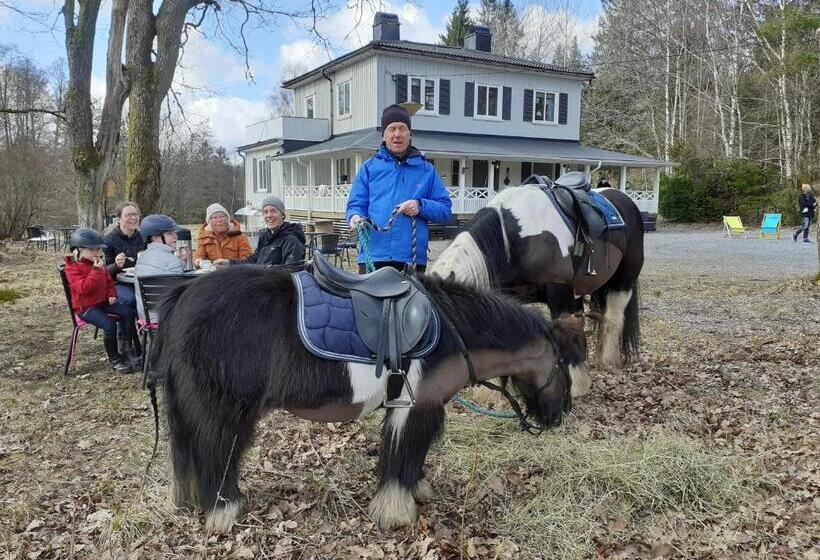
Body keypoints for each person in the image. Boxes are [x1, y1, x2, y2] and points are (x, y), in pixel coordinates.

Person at [346, 104, 452, 274]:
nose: (397, 134)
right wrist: (354, 217)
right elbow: (356, 205)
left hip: (411, 260)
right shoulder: (369, 168)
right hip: (372, 257)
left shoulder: (427, 170)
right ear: (384, 135)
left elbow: (445, 210)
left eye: (402, 128)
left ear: (410, 134)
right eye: (391, 129)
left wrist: (420, 206)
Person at [63, 228, 137, 374]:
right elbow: (84, 289)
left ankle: (128, 351)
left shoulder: (97, 263)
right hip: (85, 308)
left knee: (128, 312)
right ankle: (115, 360)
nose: (97, 253)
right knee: (109, 326)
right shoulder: (72, 269)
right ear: (78, 251)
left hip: (102, 302)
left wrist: (111, 294)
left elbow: (109, 281)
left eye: (98, 249)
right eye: (92, 250)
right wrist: (96, 271)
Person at [215, 196, 305, 268]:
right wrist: (229, 263)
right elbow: (253, 261)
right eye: (265, 212)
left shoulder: (292, 240)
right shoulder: (266, 236)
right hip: (260, 282)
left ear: (282, 215)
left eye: (273, 211)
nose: (269, 215)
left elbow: (291, 271)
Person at [194, 203, 252, 267]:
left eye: (222, 216)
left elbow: (247, 261)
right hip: (212, 274)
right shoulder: (204, 238)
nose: (219, 220)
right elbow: (199, 257)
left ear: (228, 219)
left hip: (235, 273)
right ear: (209, 222)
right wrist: (198, 262)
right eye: (215, 217)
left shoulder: (240, 237)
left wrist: (230, 264)